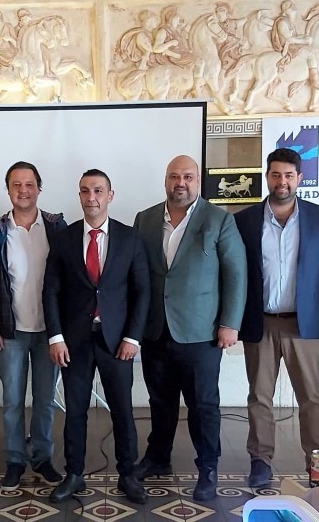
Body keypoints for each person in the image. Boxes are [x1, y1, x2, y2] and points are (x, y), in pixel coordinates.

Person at [132, 155, 247, 501]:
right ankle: (158, 457)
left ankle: (208, 467)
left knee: (203, 405)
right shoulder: (145, 219)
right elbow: (137, 273)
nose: (180, 183)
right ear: (165, 180)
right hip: (156, 329)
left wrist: (230, 323)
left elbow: (236, 274)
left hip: (202, 333)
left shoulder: (219, 219)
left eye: (187, 176)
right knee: (159, 400)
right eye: (174, 176)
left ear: (198, 181)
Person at [233, 148, 319, 488]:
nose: (282, 181)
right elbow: (234, 273)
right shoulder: (244, 220)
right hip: (260, 321)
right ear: (267, 177)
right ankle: (260, 460)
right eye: (276, 174)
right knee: (259, 396)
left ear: (300, 179)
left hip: (304, 323)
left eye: (289, 175)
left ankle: (318, 463)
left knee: (311, 398)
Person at [43, 169, 151, 505]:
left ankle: (127, 474)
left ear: (110, 195)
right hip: (74, 341)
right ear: (79, 195)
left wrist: (133, 338)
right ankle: (74, 474)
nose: (92, 197)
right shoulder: (64, 239)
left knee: (122, 410)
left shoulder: (130, 238)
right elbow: (50, 290)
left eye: (98, 190)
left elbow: (142, 291)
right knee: (75, 411)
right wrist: (55, 337)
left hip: (117, 341)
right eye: (85, 191)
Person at [0, 162, 66, 491]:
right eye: (16, 185)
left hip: (49, 332)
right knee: (12, 400)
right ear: (8, 190)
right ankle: (15, 460)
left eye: (29, 184)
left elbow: (70, 279)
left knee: (45, 400)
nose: (23, 190)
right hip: (10, 331)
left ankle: (42, 458)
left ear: (39, 188)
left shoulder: (56, 227)